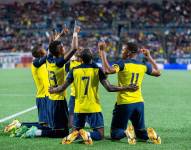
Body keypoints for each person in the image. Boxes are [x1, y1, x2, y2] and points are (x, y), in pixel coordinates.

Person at [49, 48, 138, 145]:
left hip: (79, 107)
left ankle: (78, 134)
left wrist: (53, 90)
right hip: (93, 106)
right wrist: (127, 87)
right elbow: (109, 88)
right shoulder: (97, 70)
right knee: (100, 135)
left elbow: (62, 87)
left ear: (81, 59)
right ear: (92, 58)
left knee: (74, 132)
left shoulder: (74, 71)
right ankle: (87, 134)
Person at [98, 41, 161, 144]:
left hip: (125, 103)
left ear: (128, 52)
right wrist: (149, 57)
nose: (122, 51)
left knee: (115, 134)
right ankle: (150, 135)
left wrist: (102, 52)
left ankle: (127, 131)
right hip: (139, 103)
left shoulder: (123, 63)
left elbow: (108, 70)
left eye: (123, 49)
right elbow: (158, 72)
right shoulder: (143, 65)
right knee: (140, 133)